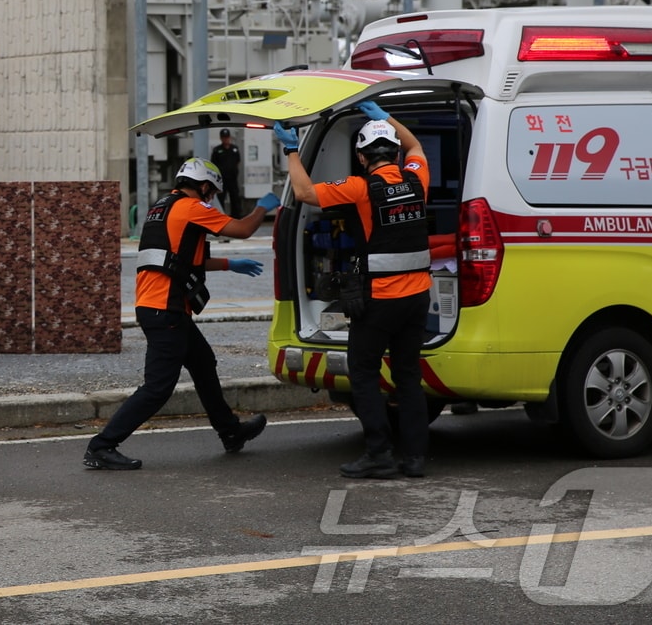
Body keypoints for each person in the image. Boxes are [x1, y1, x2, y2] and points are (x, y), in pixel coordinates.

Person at [83, 158, 281, 470]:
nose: (211, 199)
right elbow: (243, 229)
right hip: (166, 310)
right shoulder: (192, 207)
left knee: (203, 364)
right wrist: (263, 208)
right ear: (202, 186)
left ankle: (230, 432)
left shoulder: (161, 208)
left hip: (160, 306)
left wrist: (232, 264)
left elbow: (183, 260)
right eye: (211, 192)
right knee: (158, 387)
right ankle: (102, 445)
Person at [275, 102, 431, 480]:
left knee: (363, 372)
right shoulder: (415, 179)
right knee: (408, 375)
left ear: (361, 157)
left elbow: (304, 192)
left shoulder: (361, 188)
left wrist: (291, 150)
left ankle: (379, 453)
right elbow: (417, 148)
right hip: (418, 298)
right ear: (393, 153)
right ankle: (414, 458)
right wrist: (385, 118)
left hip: (380, 301)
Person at [210, 129, 242, 216]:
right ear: (221, 138)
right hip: (222, 180)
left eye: (227, 137)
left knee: (235, 198)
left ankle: (236, 217)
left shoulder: (234, 149)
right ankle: (221, 216)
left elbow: (238, 161)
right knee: (221, 198)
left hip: (233, 179)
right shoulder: (217, 150)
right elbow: (213, 164)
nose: (226, 140)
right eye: (224, 138)